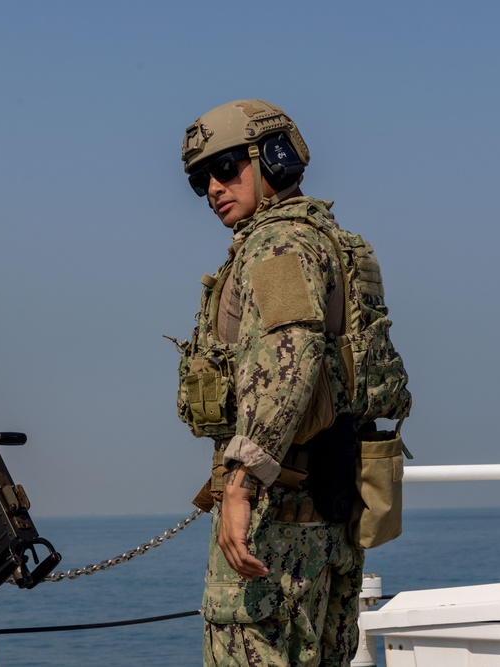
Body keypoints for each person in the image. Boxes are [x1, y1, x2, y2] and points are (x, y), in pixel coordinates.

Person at [176, 100, 365, 666]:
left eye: (227, 166)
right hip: (327, 517)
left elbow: (291, 355)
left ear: (273, 160)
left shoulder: (278, 246)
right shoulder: (323, 240)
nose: (212, 187)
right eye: (198, 179)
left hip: (275, 520)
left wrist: (241, 483)